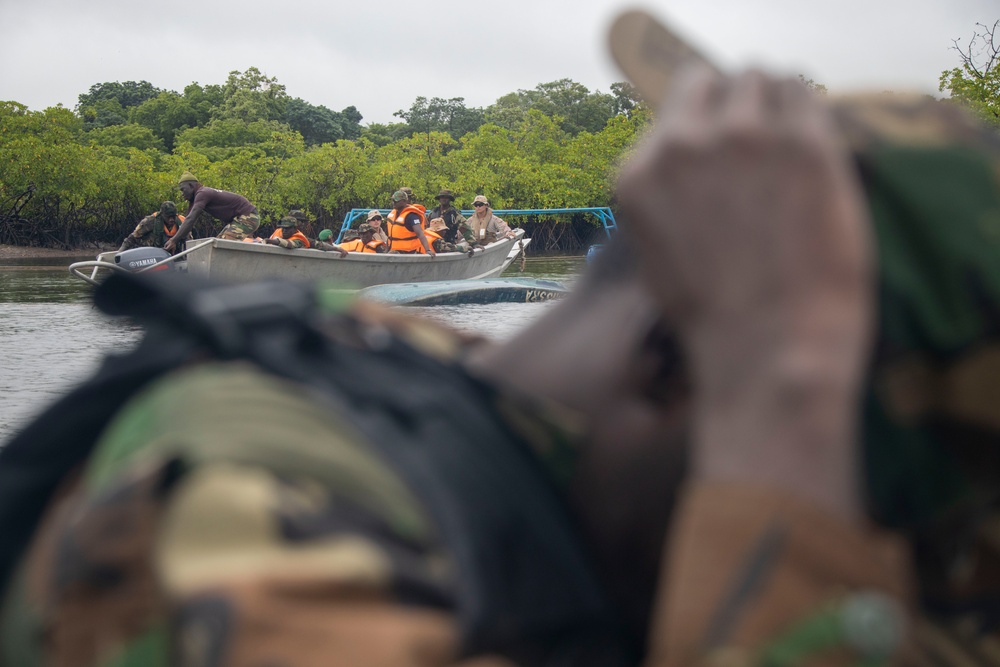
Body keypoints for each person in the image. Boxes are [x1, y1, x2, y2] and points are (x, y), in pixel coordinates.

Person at [5, 69, 1000, 666]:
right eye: (851, 512)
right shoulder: (257, 515)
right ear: (675, 365)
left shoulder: (544, 464)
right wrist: (784, 430)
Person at [164, 172, 260, 251]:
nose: (182, 194)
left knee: (222, 246)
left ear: (191, 185)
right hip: (239, 219)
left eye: (183, 190)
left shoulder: (202, 193)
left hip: (248, 216)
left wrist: (173, 241)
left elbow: (191, 219)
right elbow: (186, 223)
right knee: (217, 244)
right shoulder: (196, 197)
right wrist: (178, 241)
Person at [117, 201, 186, 253]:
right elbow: (132, 238)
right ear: (162, 215)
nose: (171, 220)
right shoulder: (150, 221)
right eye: (168, 217)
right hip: (152, 254)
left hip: (175, 255)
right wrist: (119, 253)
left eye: (173, 216)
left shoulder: (181, 221)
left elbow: (190, 241)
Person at [386, 190, 435, 256]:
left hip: (407, 253)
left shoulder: (411, 216)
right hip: (393, 250)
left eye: (397, 201)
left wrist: (428, 250)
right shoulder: (393, 214)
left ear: (404, 201)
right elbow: (390, 236)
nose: (394, 203)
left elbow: (420, 233)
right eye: (393, 200)